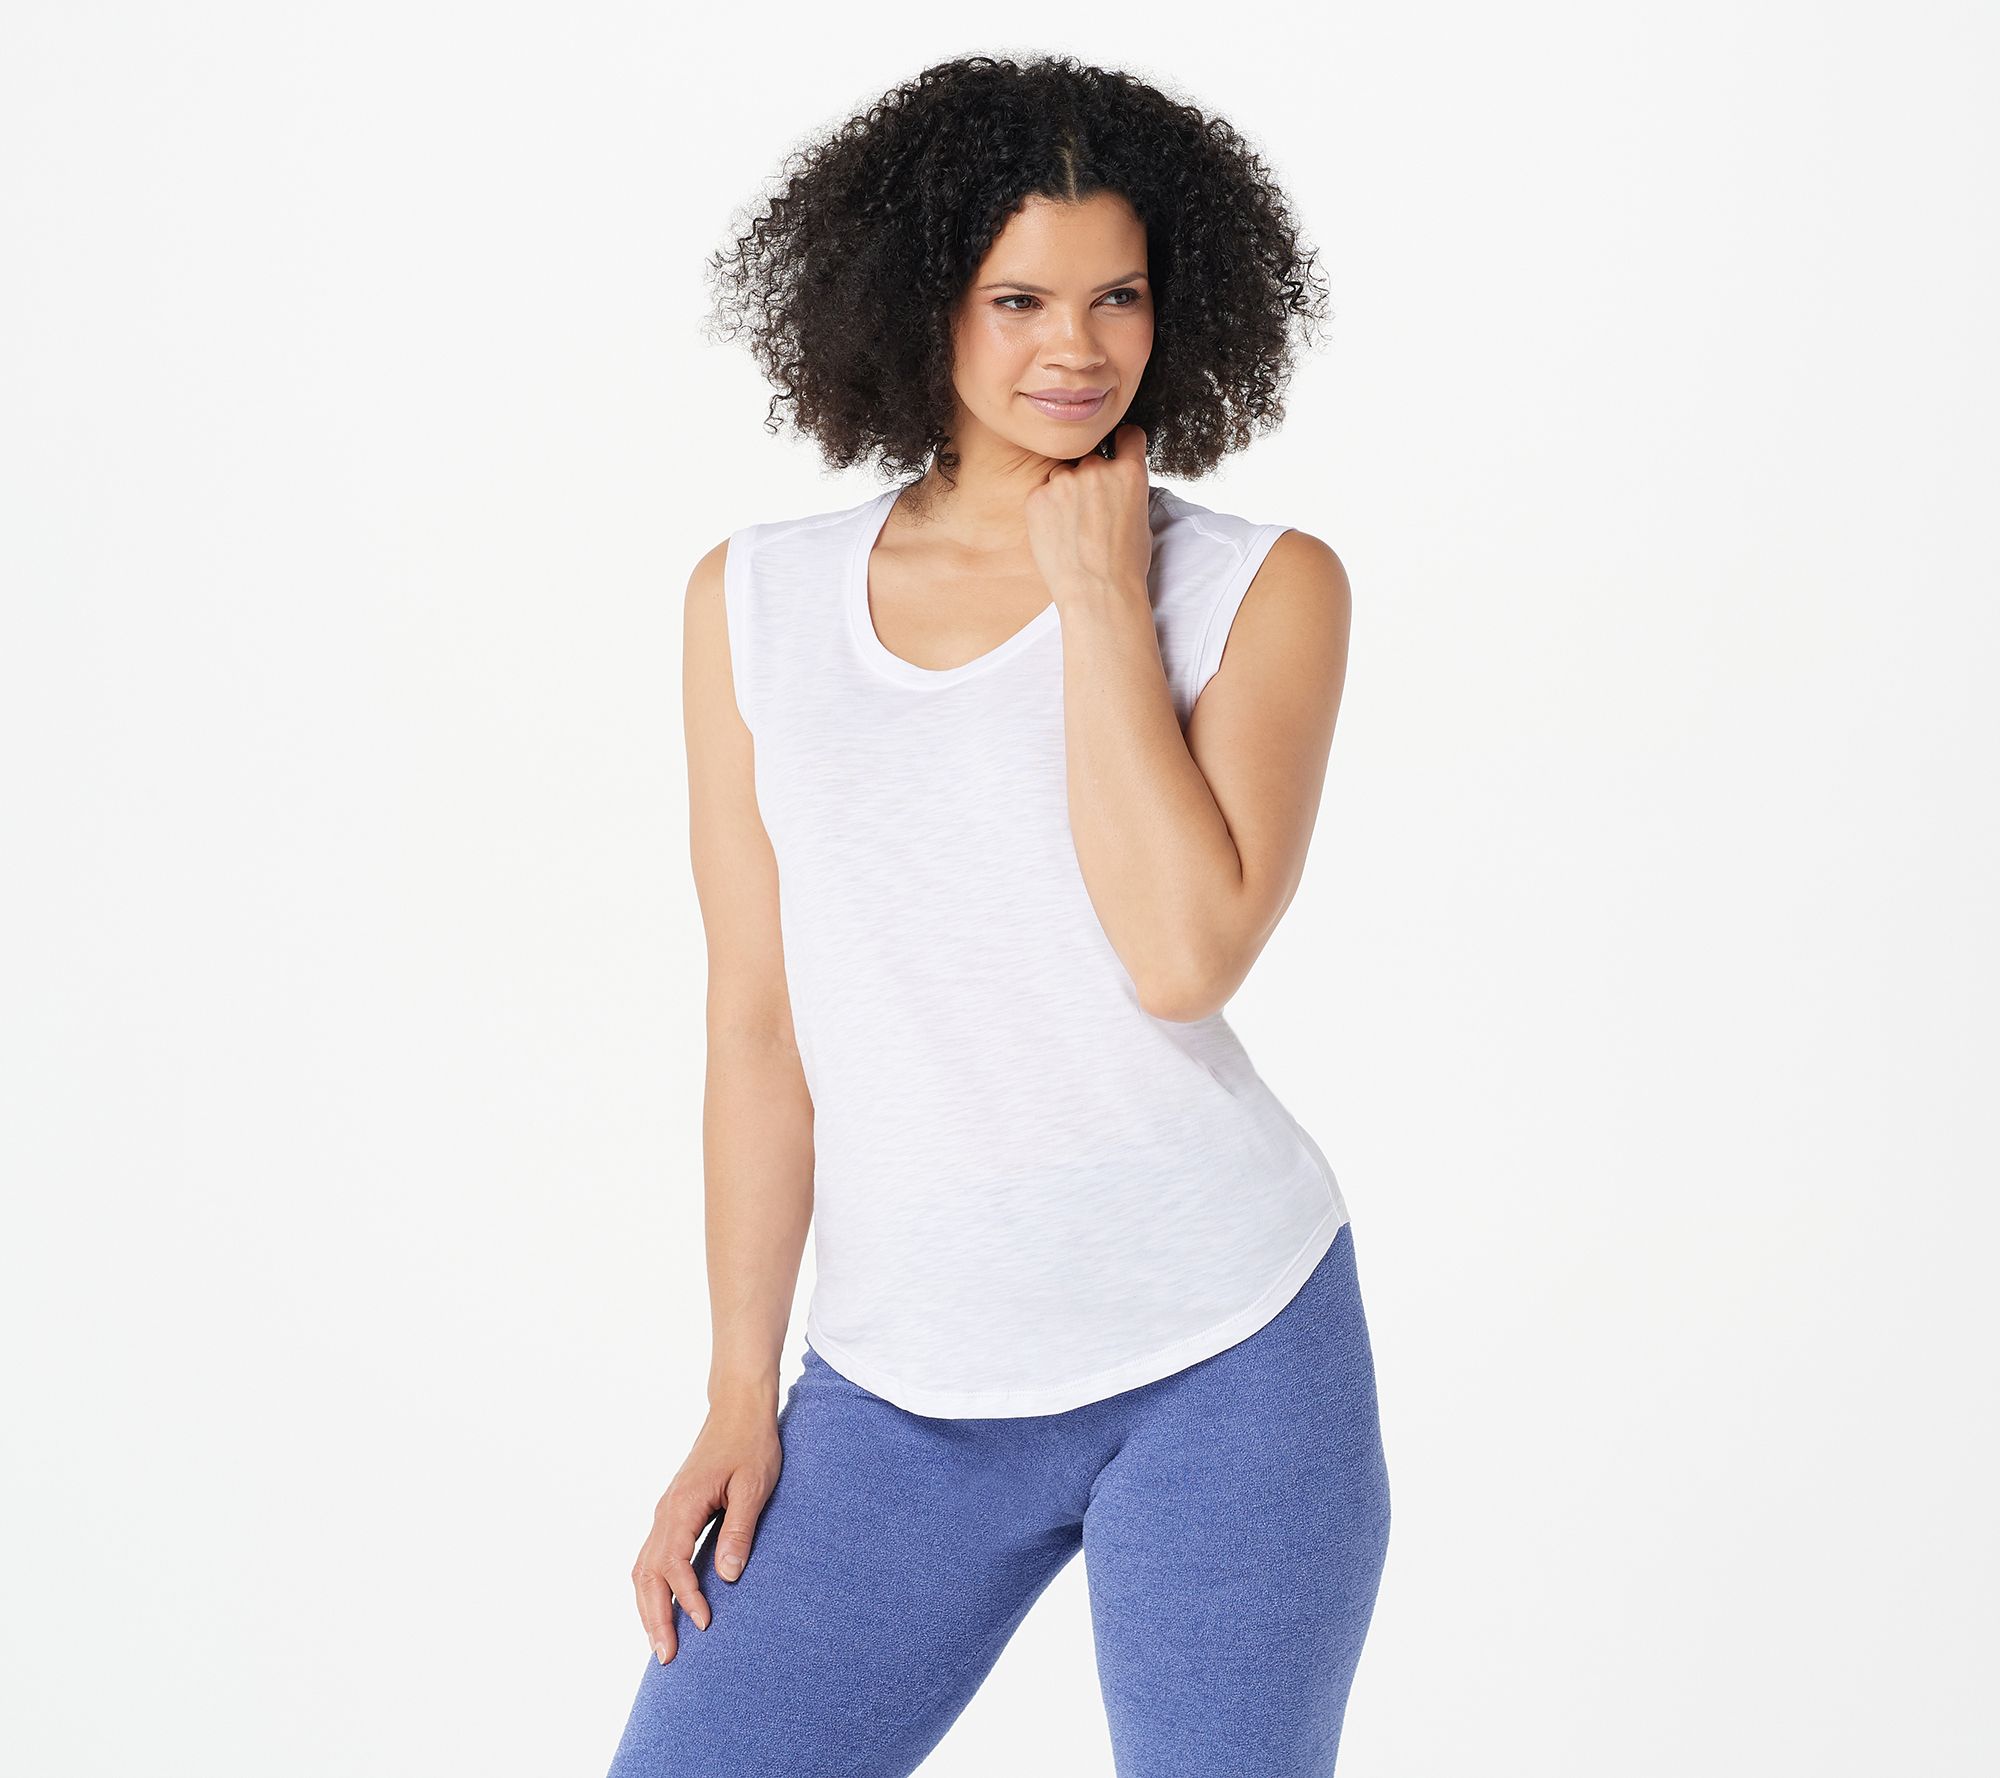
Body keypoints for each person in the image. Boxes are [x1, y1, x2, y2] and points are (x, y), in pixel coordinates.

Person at [606, 52, 1390, 1778]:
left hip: (1227, 1353)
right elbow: (758, 1025)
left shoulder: (1259, 587)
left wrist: (1099, 594)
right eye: (1020, 297)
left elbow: (1181, 954)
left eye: (1121, 295)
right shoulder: (755, 604)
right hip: (901, 1388)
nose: (1078, 347)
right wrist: (741, 1388)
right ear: (921, 303)